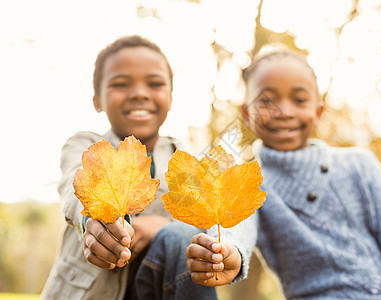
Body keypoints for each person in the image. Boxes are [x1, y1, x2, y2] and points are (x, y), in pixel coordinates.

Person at [187, 49, 381, 299]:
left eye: (300, 100)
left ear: (318, 112)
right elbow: (235, 229)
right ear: (247, 114)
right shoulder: (246, 184)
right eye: (266, 101)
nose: (284, 111)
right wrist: (228, 252)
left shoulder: (359, 165)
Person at [41, 35, 256, 300]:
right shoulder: (87, 146)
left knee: (181, 235)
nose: (140, 93)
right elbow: (75, 187)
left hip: (159, 288)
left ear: (170, 97)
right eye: (120, 84)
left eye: (154, 83)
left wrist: (164, 225)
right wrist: (93, 221)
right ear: (97, 100)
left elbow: (221, 215)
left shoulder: (185, 160)